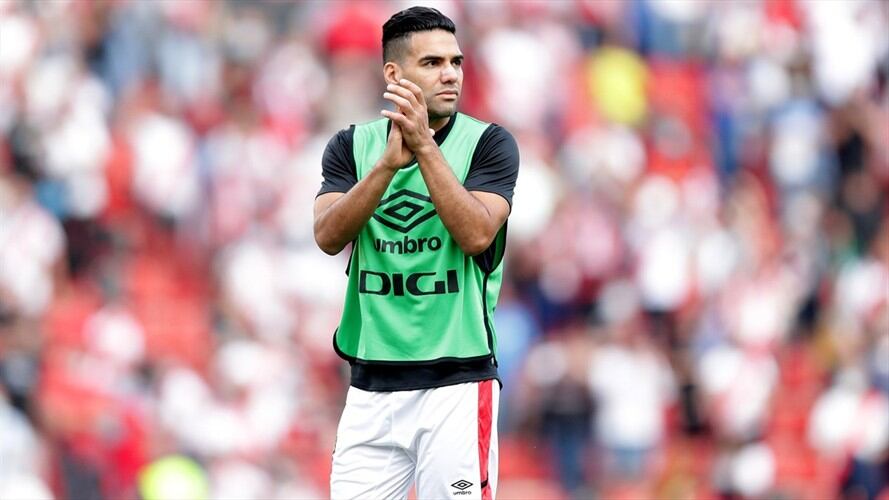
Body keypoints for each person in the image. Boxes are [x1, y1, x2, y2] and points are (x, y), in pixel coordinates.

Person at [313, 6, 519, 499]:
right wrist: (386, 167)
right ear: (394, 73)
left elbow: (475, 235)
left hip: (457, 380)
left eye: (456, 61)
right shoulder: (351, 146)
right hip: (370, 387)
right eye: (432, 63)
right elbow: (327, 236)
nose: (451, 74)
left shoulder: (489, 143)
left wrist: (424, 147)